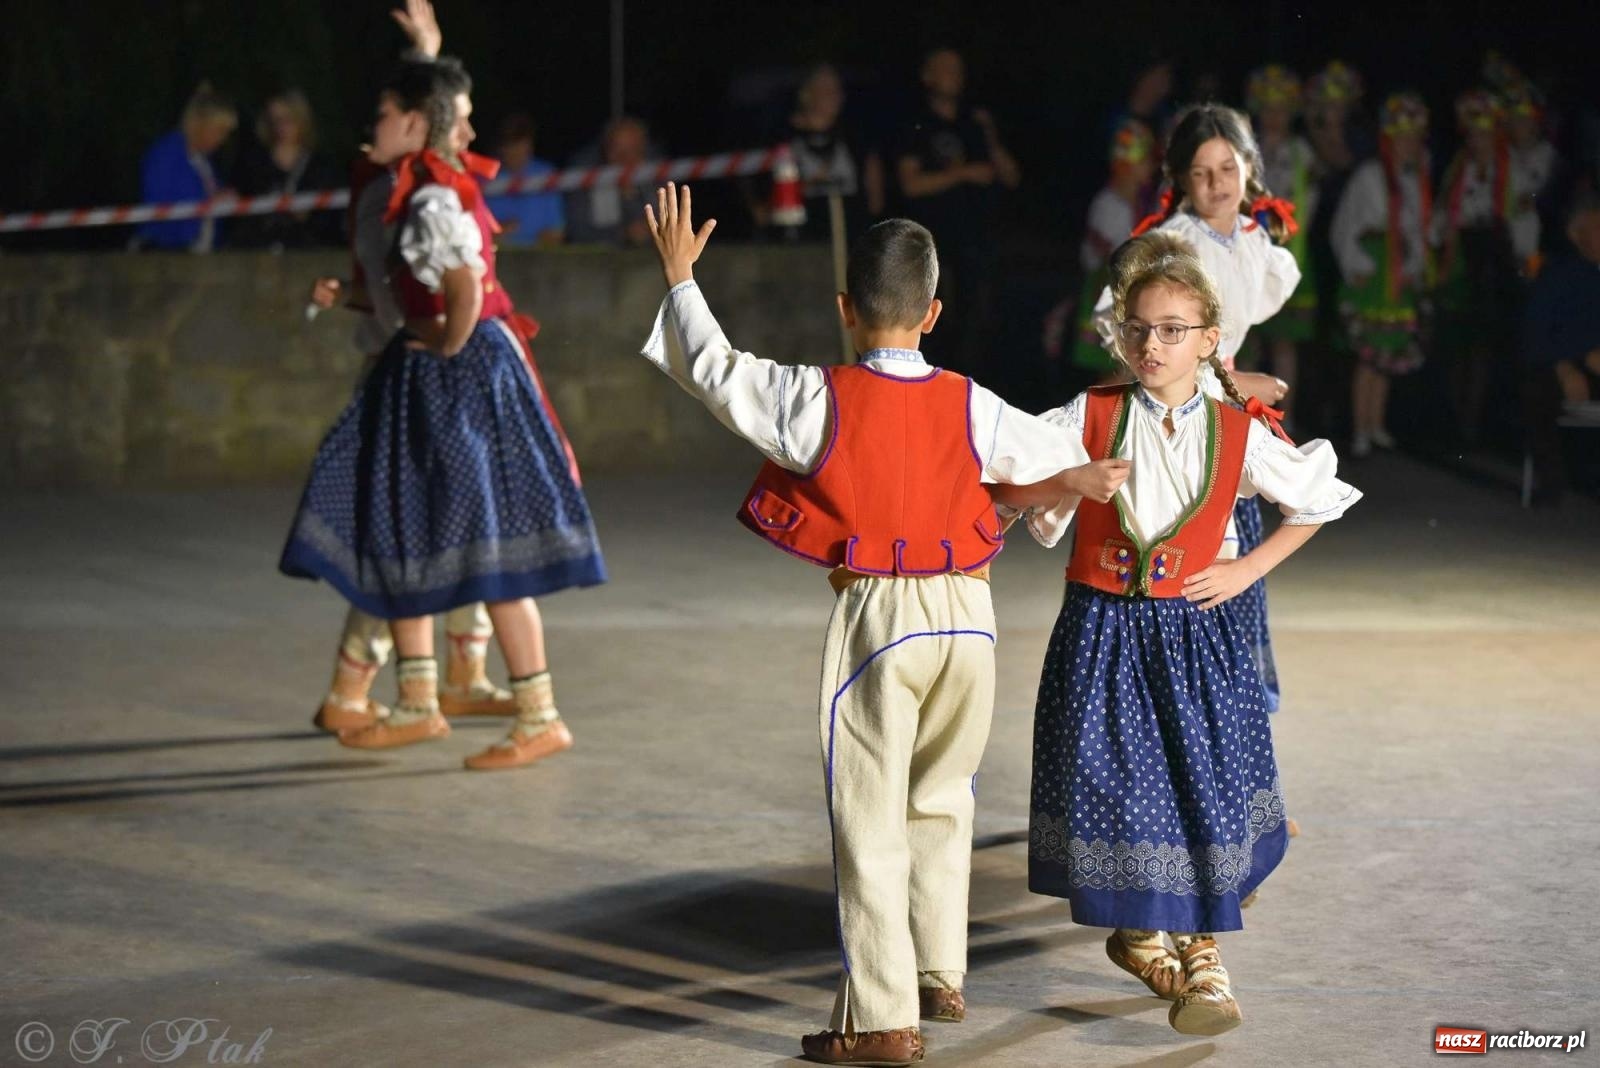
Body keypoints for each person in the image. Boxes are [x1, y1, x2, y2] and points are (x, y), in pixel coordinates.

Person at [639, 187, 1100, 1066]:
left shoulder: (817, 397)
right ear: (934, 312)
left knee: (869, 815)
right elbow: (1055, 454)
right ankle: (938, 972)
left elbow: (716, 371)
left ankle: (884, 1017)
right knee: (942, 797)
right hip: (971, 614)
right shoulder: (973, 402)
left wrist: (680, 277)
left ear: (846, 310)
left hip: (881, 616)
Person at [1001, 231, 1359, 1036]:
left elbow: (1316, 497)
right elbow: (1005, 489)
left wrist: (1247, 568)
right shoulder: (1091, 415)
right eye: (1140, 328)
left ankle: (1202, 960)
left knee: (1200, 791)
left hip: (1199, 637)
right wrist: (1067, 479)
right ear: (1121, 334)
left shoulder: (1236, 430)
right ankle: (1139, 934)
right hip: (1105, 634)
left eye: (1172, 329)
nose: (1153, 344)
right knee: (1126, 792)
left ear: (1209, 341)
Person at [280, 57, 606, 770]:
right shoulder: (415, 190)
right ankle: (435, 701)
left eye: (385, 115)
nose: (374, 127)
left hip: (456, 378)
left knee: (457, 540)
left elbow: (461, 289)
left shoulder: (430, 198)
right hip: (450, 371)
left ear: (413, 123)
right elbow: (433, 295)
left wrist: (446, 353)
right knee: (434, 536)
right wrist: (372, 307)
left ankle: (486, 708)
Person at [894, 48, 1020, 377]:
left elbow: (1010, 176)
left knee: (978, 319)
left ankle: (974, 386)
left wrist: (991, 137)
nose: (955, 75)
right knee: (937, 321)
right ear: (928, 76)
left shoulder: (974, 121)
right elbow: (911, 184)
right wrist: (962, 174)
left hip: (977, 238)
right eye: (945, 68)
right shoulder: (916, 123)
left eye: (958, 68)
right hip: (933, 242)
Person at [1330, 92, 1432, 459]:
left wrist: (1415, 267)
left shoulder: (1415, 179)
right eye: (1402, 136)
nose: (1409, 144)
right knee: (1368, 356)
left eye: (1414, 137)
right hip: (1372, 273)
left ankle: (1376, 425)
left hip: (1397, 272)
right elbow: (1345, 225)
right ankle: (1360, 428)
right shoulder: (1370, 175)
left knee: (1388, 353)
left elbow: (1417, 229)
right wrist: (1356, 264)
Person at [1433, 89, 1522, 446]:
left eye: (1484, 133)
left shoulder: (1508, 165)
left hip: (1496, 261)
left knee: (1486, 346)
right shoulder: (1460, 167)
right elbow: (1444, 212)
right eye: (1472, 133)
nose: (1477, 139)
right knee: (1458, 343)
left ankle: (1477, 422)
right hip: (1462, 259)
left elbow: (1519, 215)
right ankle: (1456, 419)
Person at [1058, 119, 1157, 380]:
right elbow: (1106, 257)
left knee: (1129, 369)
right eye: (1145, 160)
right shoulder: (1109, 204)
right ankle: (1096, 420)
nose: (1150, 167)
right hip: (1106, 294)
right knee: (1118, 370)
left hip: (1130, 294)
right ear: (1128, 164)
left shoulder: (1143, 203)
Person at [1249, 65, 1320, 415]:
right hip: (1247, 251)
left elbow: (1310, 199)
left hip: (1286, 249)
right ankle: (1244, 416)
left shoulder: (1300, 152)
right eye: (1267, 108)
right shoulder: (1245, 149)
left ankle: (1284, 418)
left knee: (1284, 341)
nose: (1274, 116)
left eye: (1280, 109)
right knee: (1246, 342)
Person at [1521, 193, 1600, 504]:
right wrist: (1569, 363)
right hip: (1566, 365)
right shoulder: (1559, 275)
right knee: (1538, 389)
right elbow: (1537, 332)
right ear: (1575, 234)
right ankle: (1551, 480)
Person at [763, 63, 885, 242]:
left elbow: (875, 193)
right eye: (825, 89)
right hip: (801, 239)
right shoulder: (781, 137)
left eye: (837, 89)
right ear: (806, 94)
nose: (834, 96)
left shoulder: (855, 135)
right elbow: (763, 200)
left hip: (852, 236)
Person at [231, 89, 342, 249]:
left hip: (306, 252)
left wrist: (307, 215)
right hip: (260, 253)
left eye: (288, 120)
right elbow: (241, 215)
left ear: (302, 120)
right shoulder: (253, 163)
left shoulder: (320, 166)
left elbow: (331, 221)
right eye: (274, 120)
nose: (280, 127)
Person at [135, 83, 237, 252]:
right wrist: (209, 203)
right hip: (166, 255)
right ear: (200, 123)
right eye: (220, 130)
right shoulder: (165, 155)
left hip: (203, 255)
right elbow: (161, 209)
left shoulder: (205, 163)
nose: (223, 139)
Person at [565, 116, 653, 247]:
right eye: (618, 149)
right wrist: (623, 234)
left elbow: (665, 227)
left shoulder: (655, 177)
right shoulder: (587, 179)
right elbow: (578, 233)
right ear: (606, 150)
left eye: (633, 150)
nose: (625, 158)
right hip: (599, 259)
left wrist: (630, 198)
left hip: (647, 260)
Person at [484, 112, 566, 247]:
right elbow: (480, 236)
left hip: (539, 259)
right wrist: (498, 232)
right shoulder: (487, 177)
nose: (514, 150)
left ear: (530, 143)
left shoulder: (546, 175)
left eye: (519, 143)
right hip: (499, 258)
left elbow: (555, 234)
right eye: (508, 144)